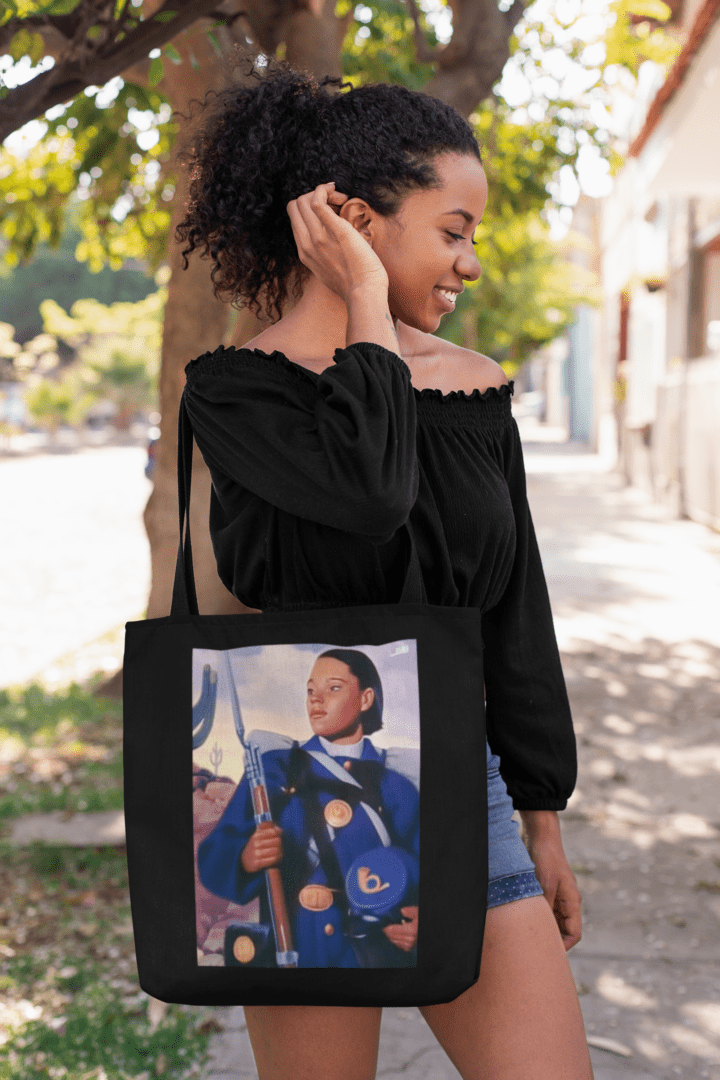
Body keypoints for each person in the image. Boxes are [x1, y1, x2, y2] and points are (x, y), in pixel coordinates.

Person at [177, 55, 594, 1080]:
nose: (471, 264)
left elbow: (514, 614)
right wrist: (366, 301)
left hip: (464, 789)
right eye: (452, 233)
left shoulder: (475, 393)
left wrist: (542, 815)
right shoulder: (239, 397)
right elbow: (370, 497)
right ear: (353, 222)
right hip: (289, 813)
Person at [197, 648, 420, 968]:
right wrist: (246, 858)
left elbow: (429, 871)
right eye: (311, 691)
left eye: (333, 688)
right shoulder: (274, 768)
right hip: (287, 953)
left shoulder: (395, 787)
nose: (316, 699)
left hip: (363, 960)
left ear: (366, 698)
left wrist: (421, 923)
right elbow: (215, 855)